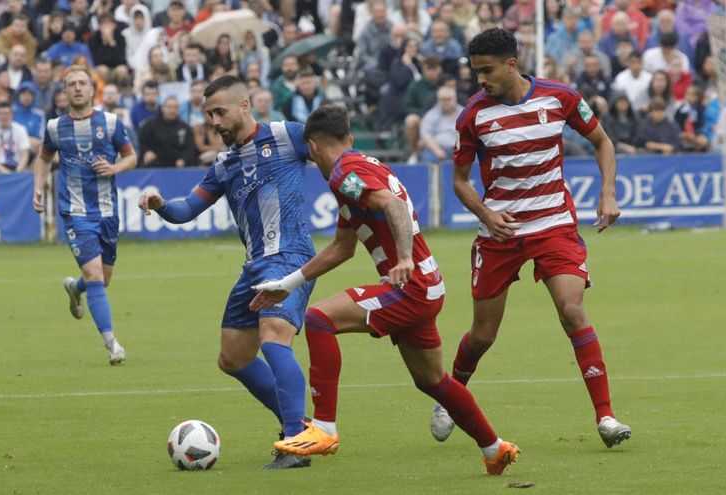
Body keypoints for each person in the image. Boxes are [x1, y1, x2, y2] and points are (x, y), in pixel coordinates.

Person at [248, 105, 520, 475]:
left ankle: (324, 428)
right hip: (425, 285)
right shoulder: (359, 171)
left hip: (411, 285)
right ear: (349, 137)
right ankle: (494, 448)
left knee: (318, 320)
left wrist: (403, 258)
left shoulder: (345, 172)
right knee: (433, 381)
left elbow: (392, 205)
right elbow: (341, 248)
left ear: (311, 147)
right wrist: (287, 284)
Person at [431, 29, 631, 449]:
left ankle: (606, 416)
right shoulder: (473, 115)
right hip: (499, 232)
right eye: (475, 72)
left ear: (511, 64)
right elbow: (461, 181)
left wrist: (608, 192)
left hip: (554, 224)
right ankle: (451, 397)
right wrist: (486, 212)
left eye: (486, 70)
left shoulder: (560, 97)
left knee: (572, 309)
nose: (480, 79)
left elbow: (603, 142)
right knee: (483, 335)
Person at [137, 76, 317, 470]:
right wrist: (161, 203)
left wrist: (355, 196)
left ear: (245, 106)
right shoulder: (224, 164)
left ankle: (296, 442)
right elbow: (187, 210)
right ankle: (299, 423)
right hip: (254, 266)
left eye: (220, 112)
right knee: (233, 358)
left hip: (290, 257)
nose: (214, 121)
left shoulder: (288, 136)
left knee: (274, 340)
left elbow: (335, 153)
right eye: (208, 114)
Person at [32, 65, 138, 365]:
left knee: (101, 279)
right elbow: (43, 159)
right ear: (65, 92)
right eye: (71, 84)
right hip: (74, 211)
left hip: (107, 210)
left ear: (92, 89)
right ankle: (112, 343)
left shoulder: (111, 122)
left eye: (82, 83)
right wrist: (37, 188)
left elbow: (132, 156)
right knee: (93, 274)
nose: (77, 88)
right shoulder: (55, 127)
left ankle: (74, 288)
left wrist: (115, 167)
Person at [137, 97, 198, 167]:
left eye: (176, 107)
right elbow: (141, 143)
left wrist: (183, 159)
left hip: (177, 167)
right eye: (169, 107)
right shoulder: (149, 125)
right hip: (155, 166)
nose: (172, 110)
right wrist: (146, 152)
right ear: (162, 108)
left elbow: (189, 148)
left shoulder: (185, 128)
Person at [0, 102, 31, 173]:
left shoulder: (21, 129)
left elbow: (25, 154)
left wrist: (17, 172)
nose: (4, 116)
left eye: (6, 113)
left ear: (12, 115)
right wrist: (6, 173)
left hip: (18, 167)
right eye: (1, 114)